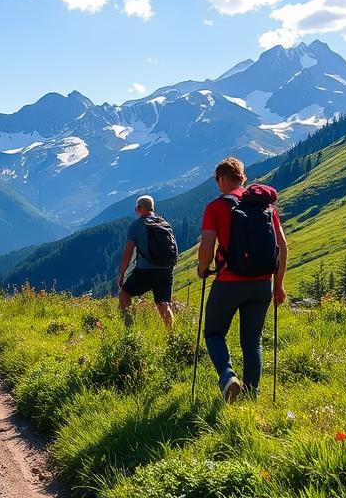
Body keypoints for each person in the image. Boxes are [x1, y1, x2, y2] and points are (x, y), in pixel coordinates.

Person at [197, 157, 288, 402]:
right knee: (252, 341)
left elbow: (207, 244)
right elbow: (282, 246)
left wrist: (202, 268)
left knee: (214, 333)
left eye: (217, 181)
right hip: (262, 284)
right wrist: (278, 285)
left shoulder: (216, 207)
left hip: (229, 281)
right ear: (243, 178)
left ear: (222, 179)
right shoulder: (266, 207)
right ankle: (252, 397)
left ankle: (228, 377)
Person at [117, 194, 176, 329]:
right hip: (165, 270)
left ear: (139, 208)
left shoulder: (136, 226)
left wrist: (122, 274)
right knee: (164, 303)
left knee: (124, 294)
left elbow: (128, 252)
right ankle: (172, 336)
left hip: (146, 270)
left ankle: (130, 331)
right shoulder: (164, 223)